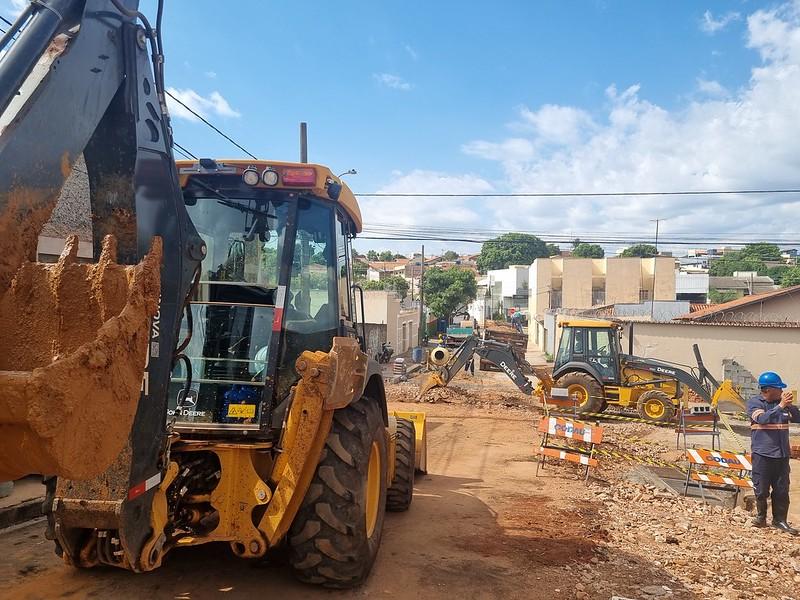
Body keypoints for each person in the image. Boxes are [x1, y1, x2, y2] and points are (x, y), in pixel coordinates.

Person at [747, 371, 800, 535]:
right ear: (768, 389)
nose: (782, 392)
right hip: (763, 454)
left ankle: (780, 521)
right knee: (761, 488)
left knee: (782, 489)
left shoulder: (783, 404)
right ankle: (761, 517)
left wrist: (790, 406)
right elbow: (762, 419)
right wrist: (781, 406)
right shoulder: (755, 403)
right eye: (779, 388)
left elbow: (798, 418)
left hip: (782, 455)